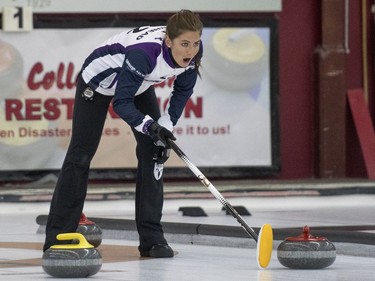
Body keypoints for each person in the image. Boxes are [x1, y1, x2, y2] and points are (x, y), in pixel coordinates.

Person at [43, 9, 203, 258]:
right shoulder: (144, 54)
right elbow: (121, 103)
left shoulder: (193, 54)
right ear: (169, 41)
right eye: (184, 44)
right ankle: (57, 237)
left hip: (136, 84)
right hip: (98, 83)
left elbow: (182, 91)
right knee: (81, 155)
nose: (190, 51)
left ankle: (152, 239)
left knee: (154, 151)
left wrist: (166, 125)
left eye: (195, 43)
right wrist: (150, 126)